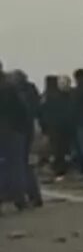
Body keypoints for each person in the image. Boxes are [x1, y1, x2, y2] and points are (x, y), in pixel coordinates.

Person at [0, 63, 38, 210]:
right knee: (17, 166)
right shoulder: (9, 88)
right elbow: (22, 111)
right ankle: (19, 199)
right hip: (13, 131)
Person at [41, 74, 76, 177]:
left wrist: (45, 127)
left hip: (56, 127)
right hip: (65, 126)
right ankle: (62, 168)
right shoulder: (70, 96)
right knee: (63, 149)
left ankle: (59, 169)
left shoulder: (50, 97)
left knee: (57, 149)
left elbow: (45, 112)